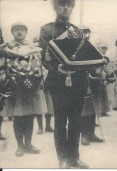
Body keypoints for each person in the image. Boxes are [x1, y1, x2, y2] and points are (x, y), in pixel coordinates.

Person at [39, 0, 90, 168]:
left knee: (76, 120)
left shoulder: (77, 31)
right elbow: (44, 57)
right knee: (60, 121)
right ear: (55, 7)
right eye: (62, 5)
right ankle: (62, 158)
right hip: (58, 81)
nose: (66, 8)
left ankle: (74, 157)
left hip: (77, 80)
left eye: (69, 5)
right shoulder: (47, 30)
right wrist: (57, 68)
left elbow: (83, 55)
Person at [6, 22, 44, 157]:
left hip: (31, 86)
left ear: (26, 32)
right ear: (12, 32)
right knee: (18, 117)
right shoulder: (7, 48)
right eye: (16, 30)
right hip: (15, 86)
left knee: (30, 116)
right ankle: (20, 146)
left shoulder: (32, 47)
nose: (19, 32)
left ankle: (28, 144)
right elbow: (5, 65)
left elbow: (38, 64)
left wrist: (37, 78)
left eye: (22, 29)